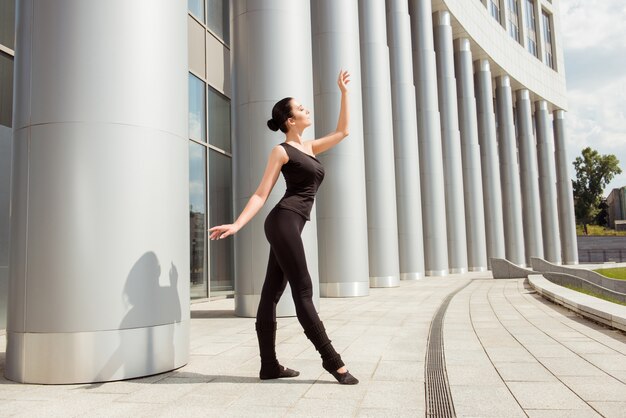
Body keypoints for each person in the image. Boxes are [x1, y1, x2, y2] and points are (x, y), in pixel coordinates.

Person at [209, 70, 358, 385]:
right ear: (290, 121)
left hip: (290, 223)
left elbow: (344, 131)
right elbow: (262, 193)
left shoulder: (310, 148)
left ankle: (269, 366)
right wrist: (237, 223)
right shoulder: (281, 151)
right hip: (283, 221)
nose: (307, 111)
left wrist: (343, 92)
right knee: (303, 290)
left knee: (271, 294)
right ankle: (334, 363)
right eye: (301, 109)